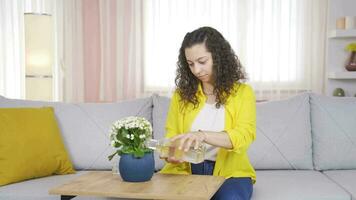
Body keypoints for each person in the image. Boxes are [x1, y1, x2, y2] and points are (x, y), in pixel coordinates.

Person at [159, 26, 256, 200]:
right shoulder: (181, 96)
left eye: (202, 61)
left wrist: (202, 135)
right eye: (190, 64)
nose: (196, 70)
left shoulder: (243, 93)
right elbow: (172, 135)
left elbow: (243, 136)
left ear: (218, 57)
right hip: (186, 171)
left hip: (230, 174)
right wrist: (171, 154)